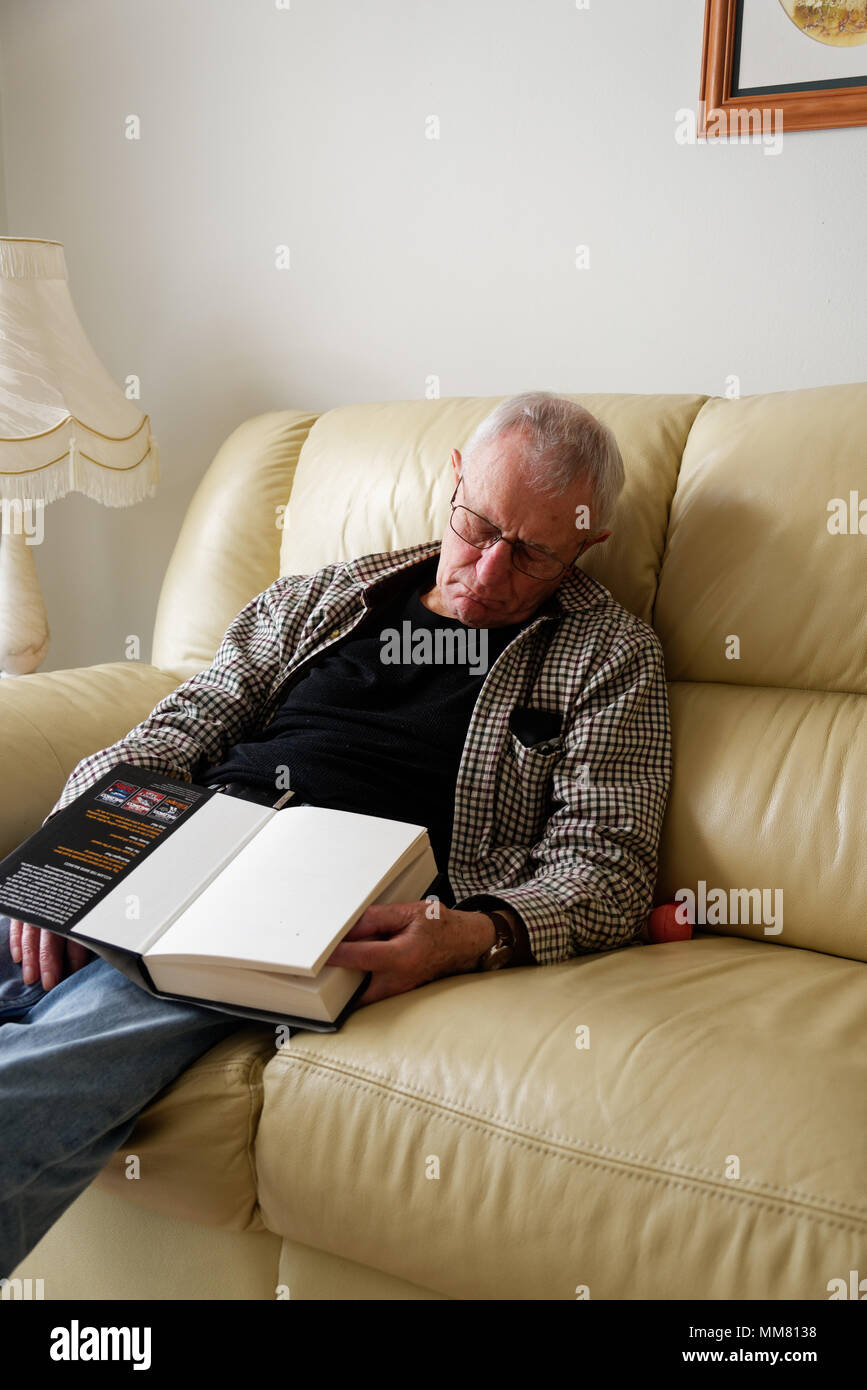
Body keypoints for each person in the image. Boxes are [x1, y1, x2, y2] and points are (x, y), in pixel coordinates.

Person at [0, 391, 671, 1276]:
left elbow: (607, 866)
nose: (489, 570)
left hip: (316, 898)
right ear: (454, 480)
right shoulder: (326, 596)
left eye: (535, 553)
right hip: (178, 843)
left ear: (587, 545)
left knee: (32, 1080)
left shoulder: (607, 656)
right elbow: (177, 726)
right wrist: (74, 859)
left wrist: (473, 933)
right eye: (477, 526)